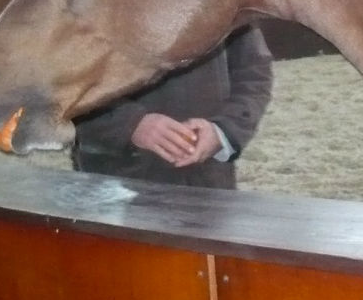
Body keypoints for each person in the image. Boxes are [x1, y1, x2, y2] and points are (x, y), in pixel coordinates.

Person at [71, 25, 272, 189]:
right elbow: (62, 78)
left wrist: (223, 131)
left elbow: (254, 70)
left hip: (208, 184)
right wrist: (129, 123)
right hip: (116, 184)